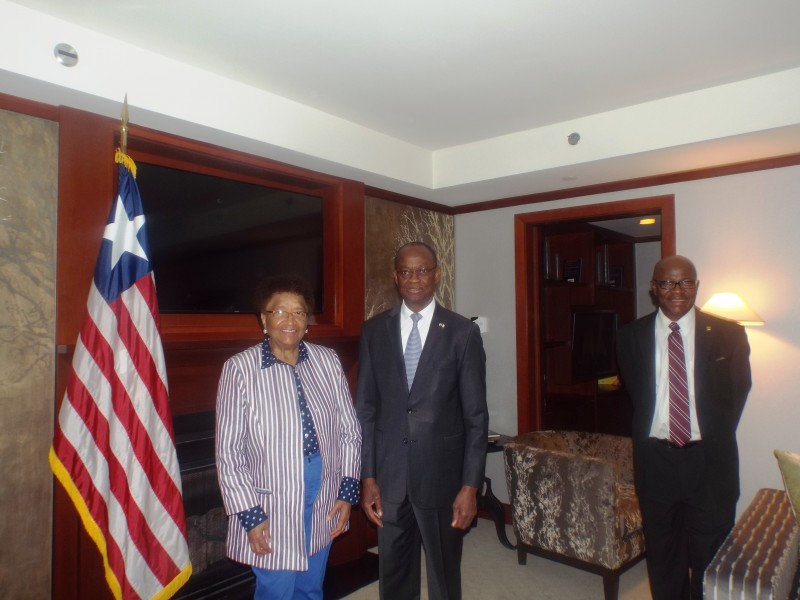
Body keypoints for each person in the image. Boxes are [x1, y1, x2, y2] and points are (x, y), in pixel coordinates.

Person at [215, 275, 361, 600]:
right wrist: (250, 516)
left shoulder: (327, 361)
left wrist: (347, 492)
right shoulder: (239, 370)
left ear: (308, 322)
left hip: (324, 489)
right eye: (279, 312)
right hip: (270, 500)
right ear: (263, 320)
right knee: (276, 590)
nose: (290, 320)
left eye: (298, 312)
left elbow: (349, 432)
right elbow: (229, 455)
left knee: (311, 585)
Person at [356, 241, 488, 600]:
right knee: (394, 576)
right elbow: (366, 410)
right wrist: (367, 476)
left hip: (443, 479)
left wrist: (470, 486)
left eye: (422, 270)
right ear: (395, 276)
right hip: (390, 478)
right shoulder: (373, 332)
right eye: (405, 271)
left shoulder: (463, 333)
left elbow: (476, 417)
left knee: (445, 576)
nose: (414, 278)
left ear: (437, 274)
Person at [616, 255, 752, 600]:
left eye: (685, 282)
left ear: (697, 286)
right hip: (656, 462)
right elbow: (637, 393)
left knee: (712, 555)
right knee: (663, 554)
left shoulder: (728, 333)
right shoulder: (629, 336)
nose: (677, 290)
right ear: (653, 288)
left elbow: (738, 391)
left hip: (709, 463)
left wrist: (709, 434)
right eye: (667, 283)